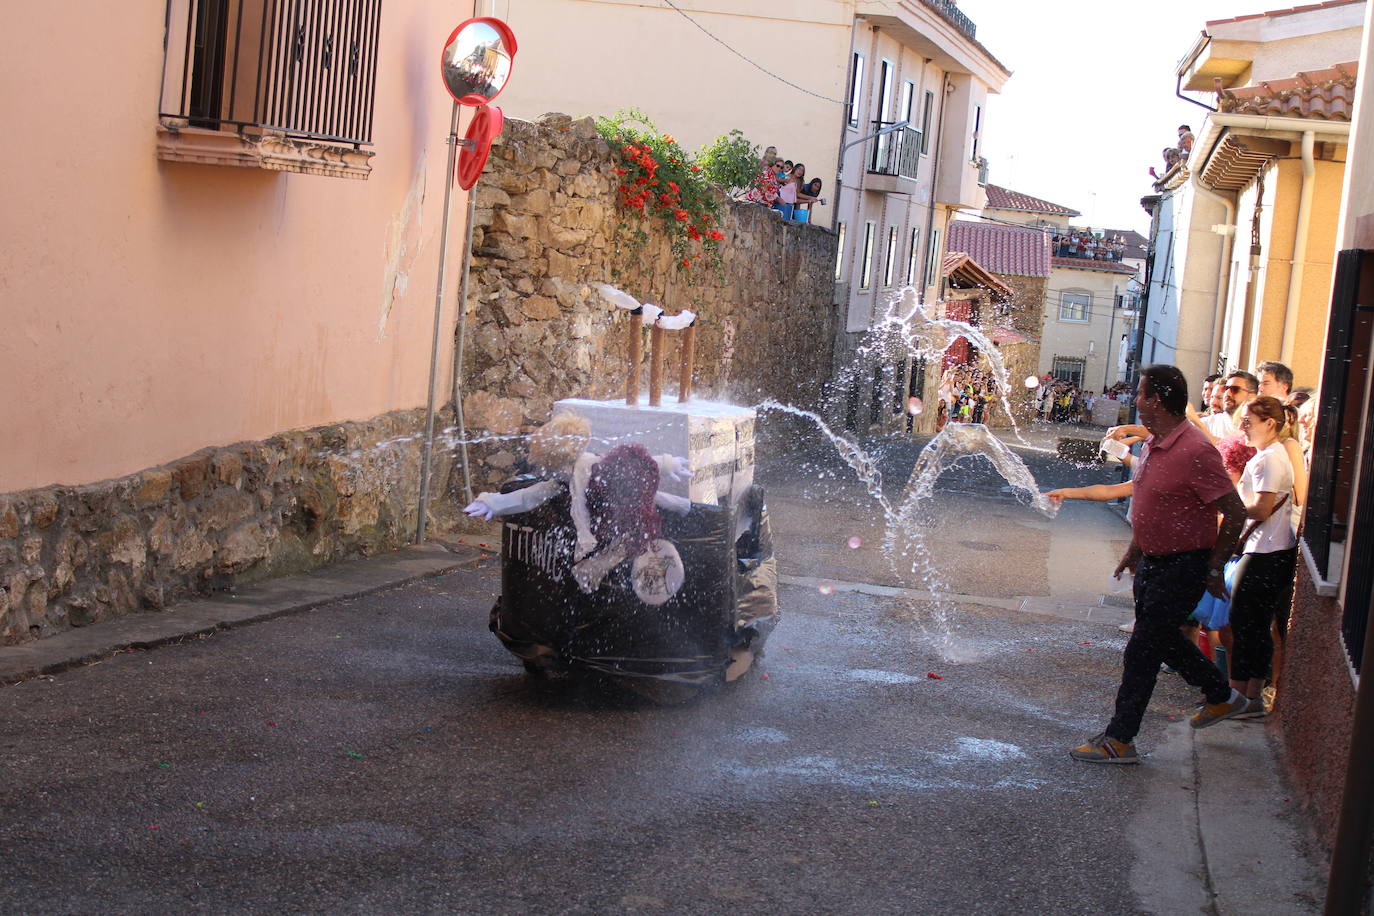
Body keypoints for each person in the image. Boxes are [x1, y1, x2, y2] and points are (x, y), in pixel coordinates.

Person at [1069, 365, 1248, 764]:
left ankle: (1120, 739)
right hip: (1151, 563)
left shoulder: (1196, 450)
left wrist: (1215, 567)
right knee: (1162, 640)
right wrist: (1135, 551)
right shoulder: (1155, 443)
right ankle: (1222, 695)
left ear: (1158, 400)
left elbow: (1235, 512)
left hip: (1184, 566)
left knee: (1142, 650)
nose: (1135, 400)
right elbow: (1154, 505)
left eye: (1141, 393)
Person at [1226, 396, 1298, 718]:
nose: (1242, 426)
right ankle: (1248, 696)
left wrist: (1229, 506)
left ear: (1269, 423)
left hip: (1266, 551)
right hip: (1270, 550)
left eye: (1248, 421)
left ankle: (1242, 696)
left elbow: (1263, 508)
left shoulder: (1269, 458)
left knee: (1245, 624)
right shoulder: (1271, 455)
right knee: (1252, 624)